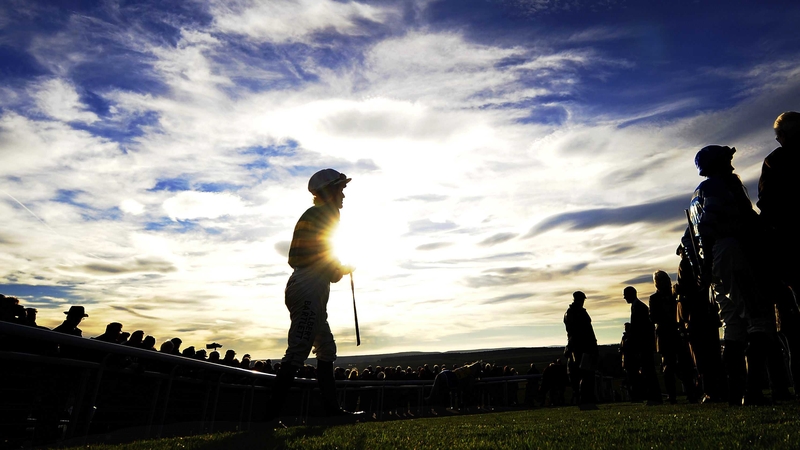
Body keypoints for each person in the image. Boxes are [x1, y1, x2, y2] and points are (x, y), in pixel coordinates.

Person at [689, 145, 780, 405]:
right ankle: (751, 392)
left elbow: (689, 239)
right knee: (757, 319)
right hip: (731, 253)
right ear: (717, 164)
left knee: (733, 326)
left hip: (717, 261)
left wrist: (704, 268)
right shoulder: (717, 187)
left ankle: (735, 392)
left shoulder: (698, 194)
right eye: (727, 160)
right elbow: (707, 226)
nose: (731, 165)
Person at [267, 168, 360, 420]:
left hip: (308, 285)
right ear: (328, 191)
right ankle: (268, 418)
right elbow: (323, 267)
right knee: (297, 352)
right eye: (340, 189)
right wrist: (341, 268)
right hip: (309, 286)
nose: (343, 195)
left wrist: (338, 267)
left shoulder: (320, 214)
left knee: (326, 349)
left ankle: (332, 412)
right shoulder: (324, 215)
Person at [758, 111, 800, 392]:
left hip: (793, 247)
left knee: (795, 321)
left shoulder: (776, 161)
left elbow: (768, 205)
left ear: (784, 136)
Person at [649, 270, 698, 403]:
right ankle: (674, 395)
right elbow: (653, 317)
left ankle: (689, 393)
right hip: (666, 335)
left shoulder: (674, 295)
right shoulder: (655, 298)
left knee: (684, 365)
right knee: (669, 367)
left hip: (676, 333)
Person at [623, 286, 662, 405]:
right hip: (644, 344)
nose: (624, 297)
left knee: (648, 370)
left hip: (644, 344)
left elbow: (642, 329)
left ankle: (655, 397)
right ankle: (653, 397)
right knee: (647, 370)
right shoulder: (638, 306)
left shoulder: (639, 307)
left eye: (625, 295)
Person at [563, 291, 598, 407]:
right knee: (586, 373)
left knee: (581, 374)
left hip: (578, 346)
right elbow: (584, 331)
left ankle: (584, 399)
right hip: (583, 347)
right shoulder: (577, 313)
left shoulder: (570, 313)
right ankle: (585, 399)